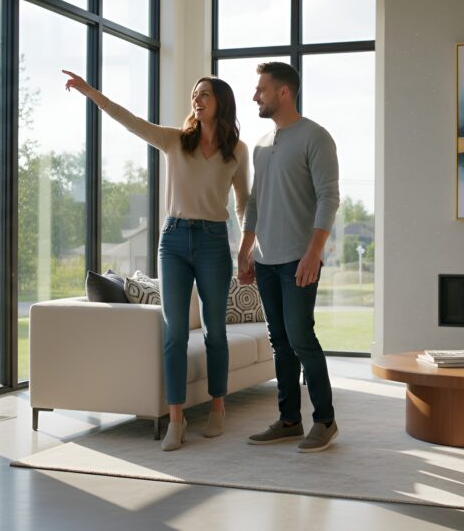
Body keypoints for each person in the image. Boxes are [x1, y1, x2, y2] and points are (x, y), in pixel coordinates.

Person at [63, 69, 248, 451]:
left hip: (215, 242)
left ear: (221, 103)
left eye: (205, 95)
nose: (197, 100)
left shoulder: (237, 151)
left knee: (215, 329)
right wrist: (89, 91)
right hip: (174, 240)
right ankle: (176, 419)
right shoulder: (176, 141)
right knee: (175, 332)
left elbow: (245, 203)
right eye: (194, 94)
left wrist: (247, 248)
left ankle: (217, 406)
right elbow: (129, 120)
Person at [238, 62, 341, 453]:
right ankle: (288, 420)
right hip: (265, 260)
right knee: (280, 342)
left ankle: (325, 420)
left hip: (300, 259)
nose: (254, 96)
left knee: (301, 338)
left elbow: (329, 197)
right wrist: (246, 248)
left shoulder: (316, 137)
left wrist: (314, 253)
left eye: (261, 89)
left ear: (284, 92)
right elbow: (254, 200)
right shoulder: (263, 143)